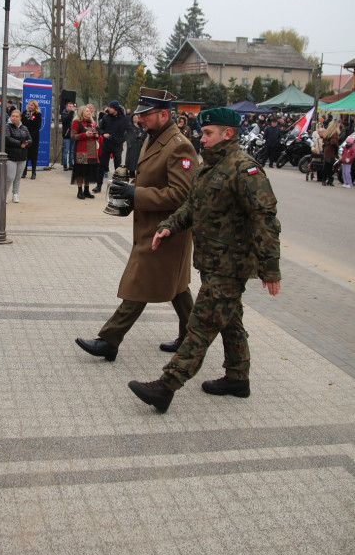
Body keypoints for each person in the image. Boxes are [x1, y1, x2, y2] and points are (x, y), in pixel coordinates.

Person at [128, 107, 281, 413]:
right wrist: (169, 226)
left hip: (231, 266)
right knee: (230, 319)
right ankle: (237, 377)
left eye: (208, 133)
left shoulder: (244, 169)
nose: (202, 138)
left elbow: (265, 219)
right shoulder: (208, 167)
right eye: (202, 132)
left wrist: (270, 268)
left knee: (202, 324)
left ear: (228, 133)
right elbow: (191, 205)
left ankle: (166, 386)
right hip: (211, 263)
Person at [75, 87, 198, 359]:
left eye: (146, 114)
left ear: (163, 114)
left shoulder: (180, 146)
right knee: (177, 287)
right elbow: (151, 180)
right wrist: (128, 189)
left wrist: (136, 194)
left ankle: (109, 340)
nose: (140, 119)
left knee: (140, 282)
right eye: (140, 114)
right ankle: (191, 337)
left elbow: (181, 194)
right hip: (151, 225)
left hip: (167, 230)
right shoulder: (153, 138)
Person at [92, 100, 128, 193]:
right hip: (106, 144)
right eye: (109, 107)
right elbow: (100, 129)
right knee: (102, 165)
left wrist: (121, 140)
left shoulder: (123, 119)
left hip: (117, 145)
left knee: (118, 167)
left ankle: (117, 187)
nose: (109, 109)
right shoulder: (105, 117)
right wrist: (103, 134)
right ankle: (98, 185)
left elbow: (126, 132)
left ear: (115, 109)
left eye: (111, 107)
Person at [70, 105, 98, 199]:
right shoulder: (77, 122)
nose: (89, 112)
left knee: (88, 171)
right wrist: (84, 134)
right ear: (82, 112)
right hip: (81, 150)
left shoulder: (92, 123)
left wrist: (96, 135)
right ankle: (79, 191)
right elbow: (73, 136)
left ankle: (87, 190)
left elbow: (95, 133)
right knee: (80, 171)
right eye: (87, 111)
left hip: (91, 150)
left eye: (89, 111)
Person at [5, 109, 31, 203]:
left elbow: (29, 139)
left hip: (22, 156)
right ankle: (4, 194)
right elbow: (7, 138)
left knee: (18, 177)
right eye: (13, 116)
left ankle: (15, 194)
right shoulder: (7, 127)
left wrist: (27, 143)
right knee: (10, 177)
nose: (14, 118)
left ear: (20, 118)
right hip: (11, 156)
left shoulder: (24, 128)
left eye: (16, 116)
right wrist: (20, 143)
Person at [22, 100, 42, 179]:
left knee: (33, 155)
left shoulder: (38, 115)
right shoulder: (24, 113)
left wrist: (30, 135)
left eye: (32, 105)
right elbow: (23, 124)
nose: (30, 106)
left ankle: (34, 172)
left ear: (35, 107)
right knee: (25, 155)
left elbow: (37, 127)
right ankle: (24, 172)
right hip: (25, 136)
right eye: (29, 105)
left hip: (34, 137)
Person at [124, 113, 146, 178]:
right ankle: (131, 172)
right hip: (132, 145)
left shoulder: (140, 126)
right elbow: (126, 135)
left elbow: (144, 134)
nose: (136, 119)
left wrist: (141, 136)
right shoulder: (129, 126)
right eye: (134, 118)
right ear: (132, 119)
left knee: (138, 159)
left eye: (137, 118)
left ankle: (138, 172)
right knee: (131, 160)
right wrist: (135, 136)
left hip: (139, 145)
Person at [322, 120, 340, 187]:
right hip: (331, 151)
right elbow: (333, 142)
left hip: (326, 150)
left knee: (326, 166)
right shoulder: (335, 133)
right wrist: (337, 146)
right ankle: (330, 179)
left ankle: (324, 179)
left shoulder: (327, 132)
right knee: (330, 166)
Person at [61, 101, 75, 171]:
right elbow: (65, 120)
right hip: (66, 135)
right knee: (65, 151)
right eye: (69, 106)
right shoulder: (64, 113)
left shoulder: (73, 115)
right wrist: (71, 112)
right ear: (66, 107)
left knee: (72, 151)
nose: (71, 108)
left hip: (73, 135)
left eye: (72, 106)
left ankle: (71, 164)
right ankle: (65, 164)